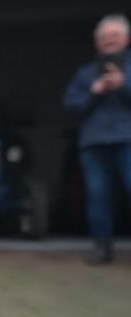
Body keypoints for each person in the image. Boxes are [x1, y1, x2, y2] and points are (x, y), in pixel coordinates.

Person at [63, 14, 131, 265]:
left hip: (127, 140)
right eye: (103, 37)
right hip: (94, 143)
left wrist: (123, 85)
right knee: (97, 196)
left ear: (126, 39)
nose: (108, 41)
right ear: (96, 43)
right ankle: (102, 248)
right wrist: (94, 92)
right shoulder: (85, 74)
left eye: (114, 36)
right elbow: (70, 105)